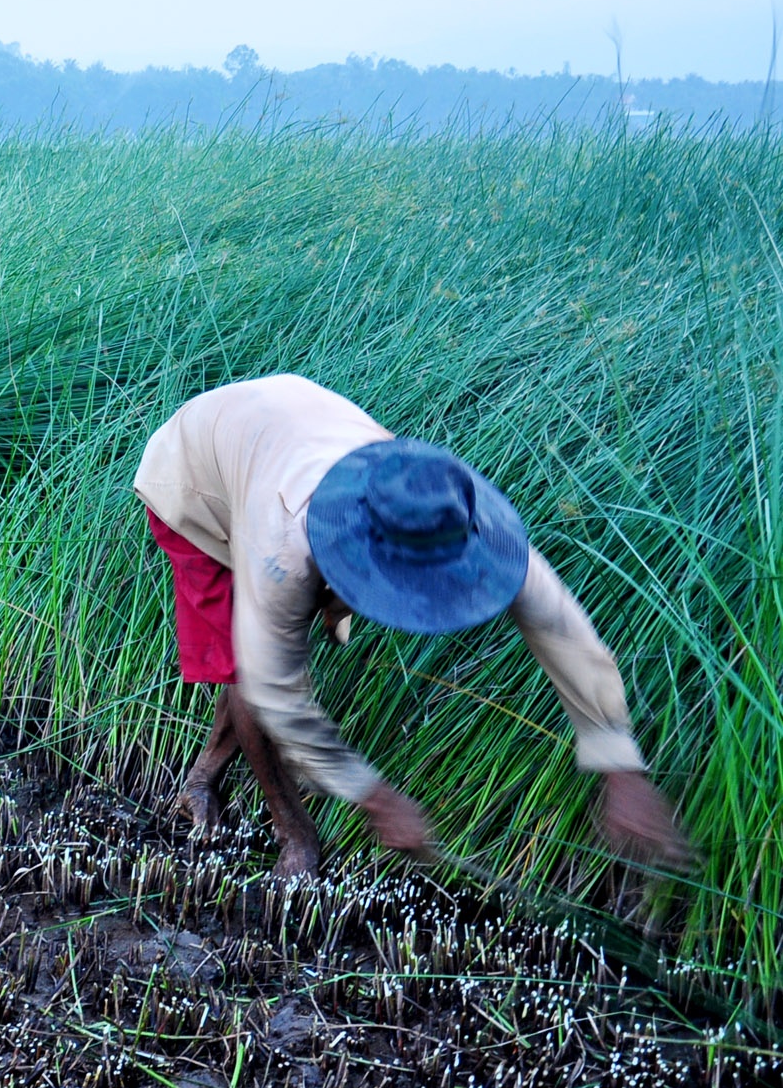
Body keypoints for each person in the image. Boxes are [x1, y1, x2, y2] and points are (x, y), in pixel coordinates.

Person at [134, 373, 689, 875]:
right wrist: (372, 796)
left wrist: (618, 762)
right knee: (243, 667)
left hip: (285, 433)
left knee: (255, 650)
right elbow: (270, 684)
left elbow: (560, 625)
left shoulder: (457, 510)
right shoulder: (284, 546)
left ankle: (203, 775)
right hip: (198, 473)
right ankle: (293, 832)